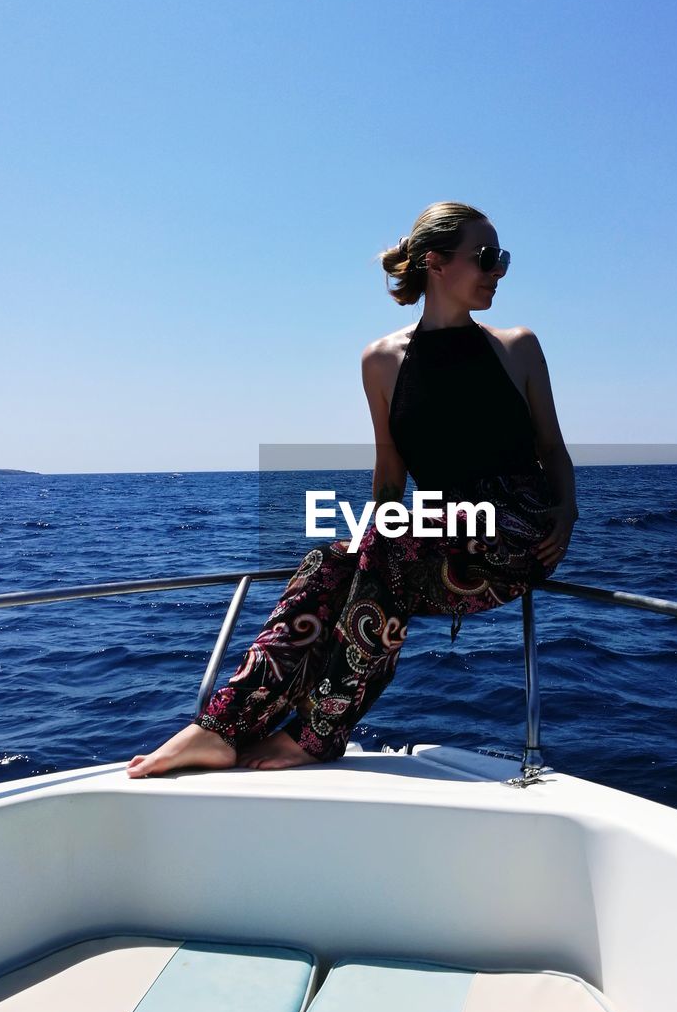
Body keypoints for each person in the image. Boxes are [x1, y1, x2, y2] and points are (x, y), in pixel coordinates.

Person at [127, 202, 578, 778]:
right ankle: (219, 729)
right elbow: (390, 474)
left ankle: (321, 732)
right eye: (488, 258)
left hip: (518, 528)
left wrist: (566, 515)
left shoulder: (517, 346)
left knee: (386, 548)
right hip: (436, 531)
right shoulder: (382, 361)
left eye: (502, 259)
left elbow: (552, 449)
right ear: (436, 263)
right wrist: (368, 541)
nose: (499, 271)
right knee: (326, 563)